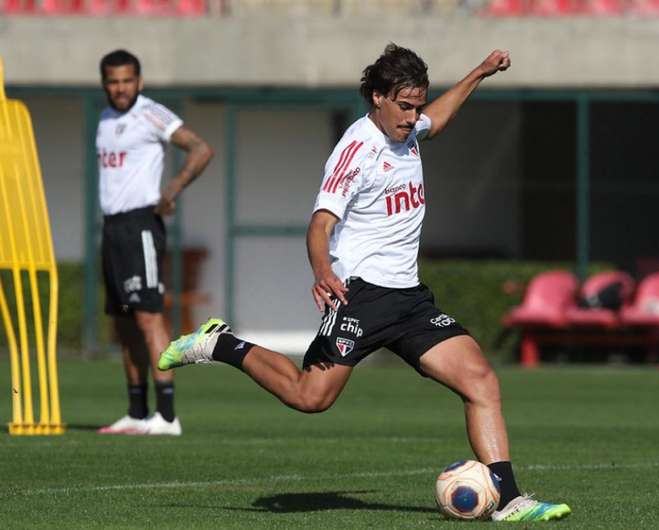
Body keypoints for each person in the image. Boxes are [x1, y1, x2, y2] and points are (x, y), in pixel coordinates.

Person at [159, 44, 571, 521]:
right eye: (404, 105)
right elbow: (320, 223)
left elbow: (437, 119)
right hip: (361, 296)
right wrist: (322, 271)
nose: (413, 116)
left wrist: (478, 73)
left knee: (480, 379)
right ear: (377, 97)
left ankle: (510, 498)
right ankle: (219, 345)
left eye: (417, 105)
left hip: (410, 300)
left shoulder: (408, 128)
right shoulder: (356, 150)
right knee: (309, 397)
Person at [96, 49, 214, 436]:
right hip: (113, 229)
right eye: (113, 81)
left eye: (127, 80)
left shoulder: (150, 112)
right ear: (105, 84)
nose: (120, 88)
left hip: (142, 224)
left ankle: (166, 416)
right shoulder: (104, 119)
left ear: (139, 81)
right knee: (125, 323)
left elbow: (200, 148)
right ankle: (136, 411)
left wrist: (174, 189)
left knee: (148, 317)